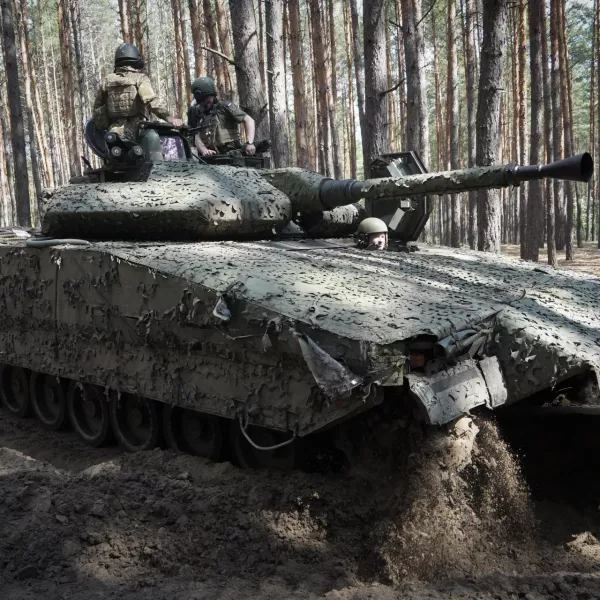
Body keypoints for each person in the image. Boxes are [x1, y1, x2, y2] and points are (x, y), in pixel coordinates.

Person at [93, 43, 183, 158]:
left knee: (117, 161)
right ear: (135, 60)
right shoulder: (140, 78)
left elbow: (97, 110)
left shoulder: (107, 80)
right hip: (138, 132)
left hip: (114, 132)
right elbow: (151, 101)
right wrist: (169, 117)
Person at [188, 76, 256, 157]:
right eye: (202, 100)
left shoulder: (224, 106)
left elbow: (249, 120)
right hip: (211, 156)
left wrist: (249, 143)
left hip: (232, 154)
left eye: (208, 99)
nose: (205, 103)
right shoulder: (196, 111)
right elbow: (193, 134)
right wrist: (204, 150)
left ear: (212, 95)